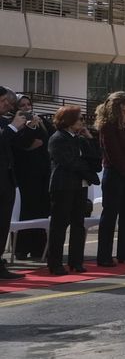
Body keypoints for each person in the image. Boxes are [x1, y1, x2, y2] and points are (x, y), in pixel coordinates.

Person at [44, 105, 98, 275]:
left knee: (78, 224)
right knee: (59, 226)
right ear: (69, 121)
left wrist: (89, 139)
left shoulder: (79, 139)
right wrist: (87, 170)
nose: (83, 122)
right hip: (63, 186)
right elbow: (69, 162)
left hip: (80, 185)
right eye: (80, 118)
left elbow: (96, 161)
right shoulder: (57, 138)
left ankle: (76, 261)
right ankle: (55, 263)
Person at [95, 91, 125, 266]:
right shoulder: (108, 126)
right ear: (122, 106)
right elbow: (113, 153)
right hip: (115, 175)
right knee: (110, 215)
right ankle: (104, 256)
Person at [11, 94, 52, 259]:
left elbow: (50, 139)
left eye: (28, 104)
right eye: (22, 105)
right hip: (24, 174)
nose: (27, 108)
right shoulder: (13, 124)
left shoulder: (40, 121)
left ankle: (39, 248)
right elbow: (19, 144)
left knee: (41, 209)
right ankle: (21, 248)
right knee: (25, 211)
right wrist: (29, 130)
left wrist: (37, 127)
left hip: (42, 173)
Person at [0, 86, 21, 279]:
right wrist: (13, 127)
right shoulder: (8, 125)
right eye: (3, 101)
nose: (7, 105)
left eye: (8, 102)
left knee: (3, 223)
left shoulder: (5, 121)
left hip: (7, 179)